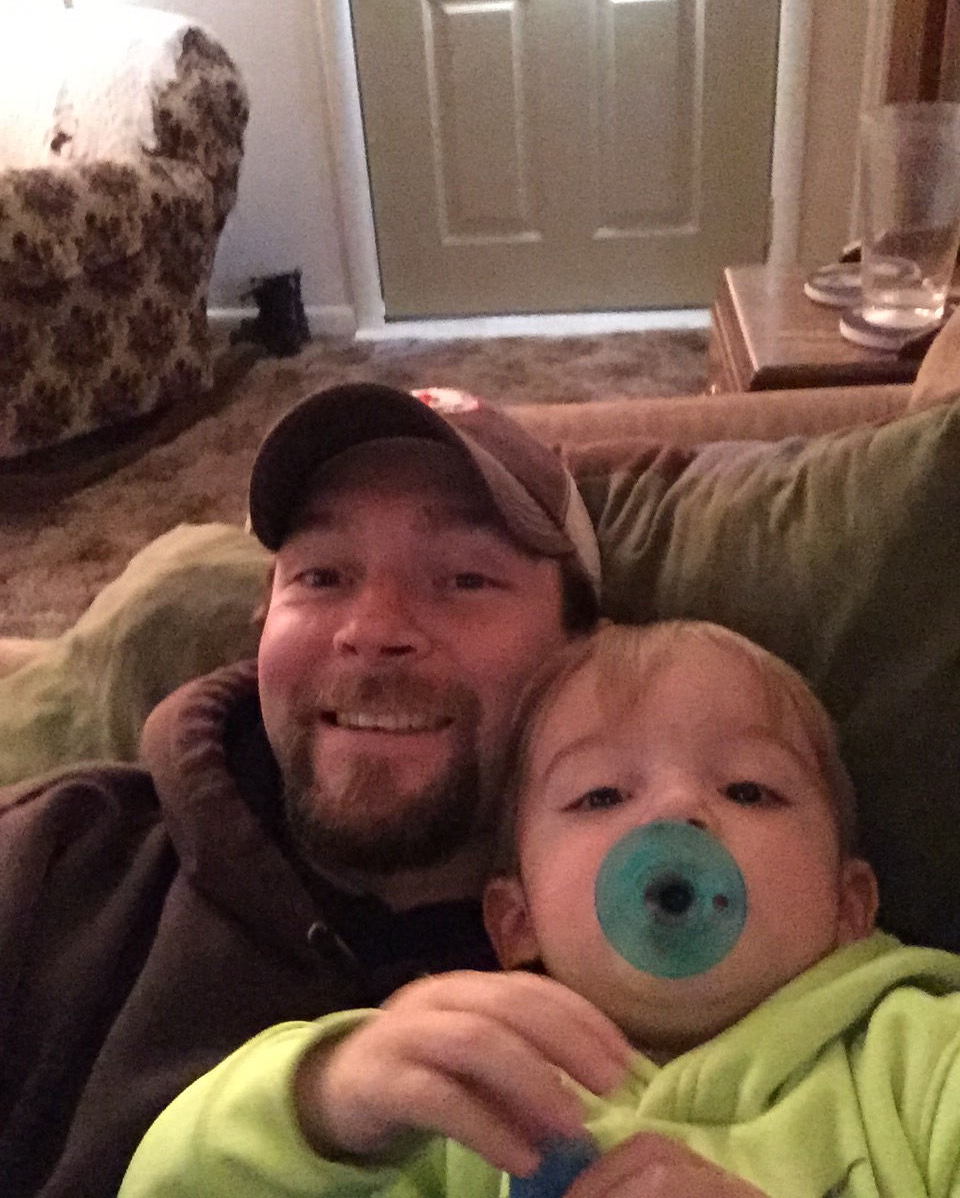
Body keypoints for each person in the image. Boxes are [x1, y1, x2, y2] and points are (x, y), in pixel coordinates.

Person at [0, 383, 603, 1198]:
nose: (373, 629)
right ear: (264, 619)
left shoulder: (678, 940)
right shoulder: (57, 858)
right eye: (322, 575)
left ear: (582, 646)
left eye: (465, 579)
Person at [119, 621, 960, 1198]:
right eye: (601, 796)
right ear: (515, 921)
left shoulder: (921, 1055)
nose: (677, 811)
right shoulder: (463, 1090)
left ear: (849, 903)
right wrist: (322, 1103)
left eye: (749, 789)